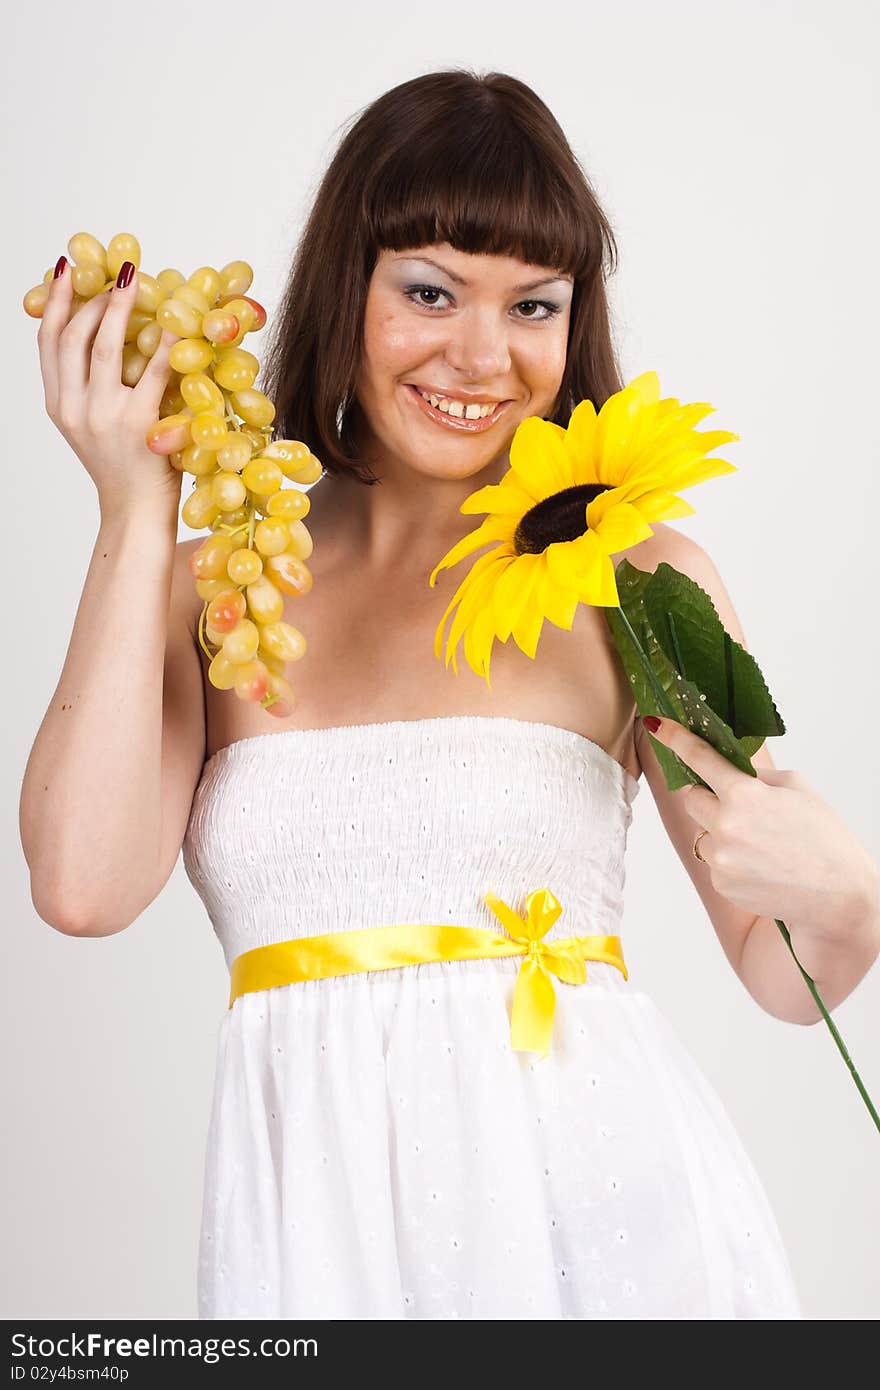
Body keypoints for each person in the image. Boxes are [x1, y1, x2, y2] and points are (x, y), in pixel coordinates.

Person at [21, 68, 879, 1321]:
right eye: (428, 291)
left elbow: (778, 969)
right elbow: (82, 886)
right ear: (345, 292)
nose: (481, 356)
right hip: (312, 1250)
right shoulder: (217, 585)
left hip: (614, 1244)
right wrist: (134, 509)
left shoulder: (626, 579)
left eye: (532, 304)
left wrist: (850, 890)